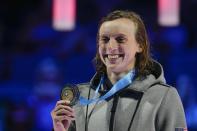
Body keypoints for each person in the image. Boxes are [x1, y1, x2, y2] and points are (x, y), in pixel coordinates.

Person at [51, 10, 187, 131]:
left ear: (140, 45)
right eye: (104, 39)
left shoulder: (164, 96)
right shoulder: (81, 97)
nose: (110, 47)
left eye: (120, 39)